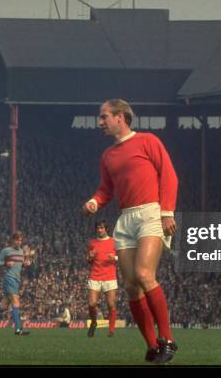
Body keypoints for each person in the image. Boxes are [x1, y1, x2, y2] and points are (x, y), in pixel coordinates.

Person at [82, 99, 179, 364]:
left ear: (120, 117)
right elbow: (106, 190)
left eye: (104, 117)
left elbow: (169, 175)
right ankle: (152, 346)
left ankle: (168, 340)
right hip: (125, 220)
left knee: (145, 274)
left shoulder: (148, 141)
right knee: (131, 287)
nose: (100, 122)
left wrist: (167, 211)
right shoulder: (108, 156)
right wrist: (93, 202)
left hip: (150, 213)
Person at [0, 231, 34, 336]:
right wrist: (6, 263)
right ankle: (18, 329)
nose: (19, 242)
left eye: (20, 240)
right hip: (9, 279)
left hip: (16, 280)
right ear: (13, 240)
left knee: (4, 306)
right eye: (17, 240)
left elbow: (20, 265)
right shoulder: (7, 251)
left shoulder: (22, 252)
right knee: (16, 303)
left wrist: (26, 264)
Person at [86, 219, 118, 338]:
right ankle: (94, 323)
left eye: (101, 228)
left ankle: (111, 330)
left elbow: (122, 257)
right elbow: (88, 260)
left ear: (106, 229)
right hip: (95, 276)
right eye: (98, 228)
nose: (99, 230)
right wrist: (90, 257)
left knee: (110, 304)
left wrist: (114, 258)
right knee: (91, 303)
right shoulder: (92, 243)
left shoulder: (114, 242)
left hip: (109, 277)